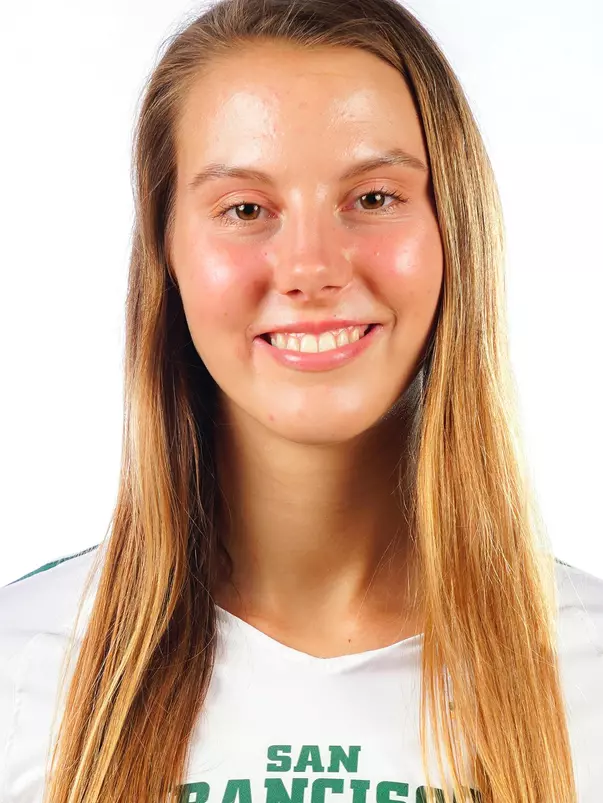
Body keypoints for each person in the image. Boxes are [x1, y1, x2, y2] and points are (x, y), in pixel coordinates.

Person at [0, 0, 601, 801]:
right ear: (167, 252)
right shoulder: (23, 668)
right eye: (245, 210)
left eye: (374, 198)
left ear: (455, 229)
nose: (312, 267)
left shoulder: (584, 671)